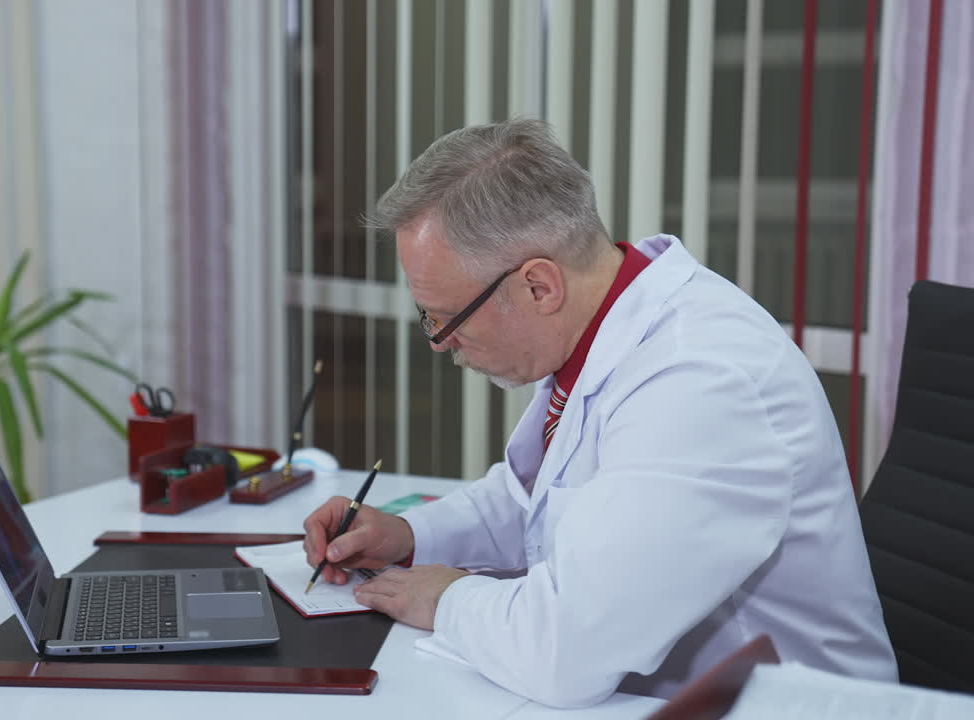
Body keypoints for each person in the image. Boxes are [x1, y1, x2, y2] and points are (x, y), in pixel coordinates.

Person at [301, 118, 896, 708]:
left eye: (444, 317)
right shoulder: (601, 328)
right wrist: (410, 536)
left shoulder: (700, 383)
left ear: (539, 287)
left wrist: (448, 599)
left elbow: (565, 653)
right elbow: (537, 501)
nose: (439, 342)